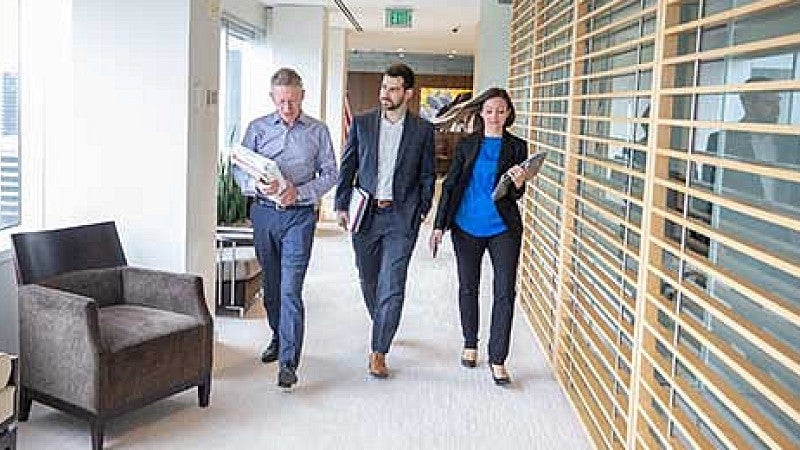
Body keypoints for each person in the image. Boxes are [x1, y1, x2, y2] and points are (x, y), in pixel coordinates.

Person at [234, 68, 337, 389]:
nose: (287, 108)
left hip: (299, 217)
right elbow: (238, 170)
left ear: (302, 96)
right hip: (264, 215)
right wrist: (256, 186)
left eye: (292, 101)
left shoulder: (318, 131)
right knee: (273, 289)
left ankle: (289, 363)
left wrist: (300, 192)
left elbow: (331, 173)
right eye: (281, 101)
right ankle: (279, 337)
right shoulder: (257, 129)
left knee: (291, 289)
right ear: (272, 98)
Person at [334, 63, 436, 379]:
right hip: (365, 214)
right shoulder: (362, 124)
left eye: (392, 89)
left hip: (401, 216)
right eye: (383, 88)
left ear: (408, 93)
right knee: (369, 279)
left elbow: (427, 174)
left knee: (392, 283)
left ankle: (379, 351)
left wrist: (422, 209)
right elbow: (348, 167)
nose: (385, 94)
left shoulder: (422, 130)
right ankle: (383, 320)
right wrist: (340, 205)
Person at [428, 87, 527, 386]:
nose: (495, 116)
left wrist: (520, 183)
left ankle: (498, 359)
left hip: (503, 228)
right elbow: (451, 185)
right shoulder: (468, 145)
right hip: (466, 225)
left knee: (504, 292)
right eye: (489, 110)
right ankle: (470, 342)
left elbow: (516, 193)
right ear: (481, 114)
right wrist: (438, 225)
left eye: (500, 110)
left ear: (508, 113)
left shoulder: (518, 147)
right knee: (468, 287)